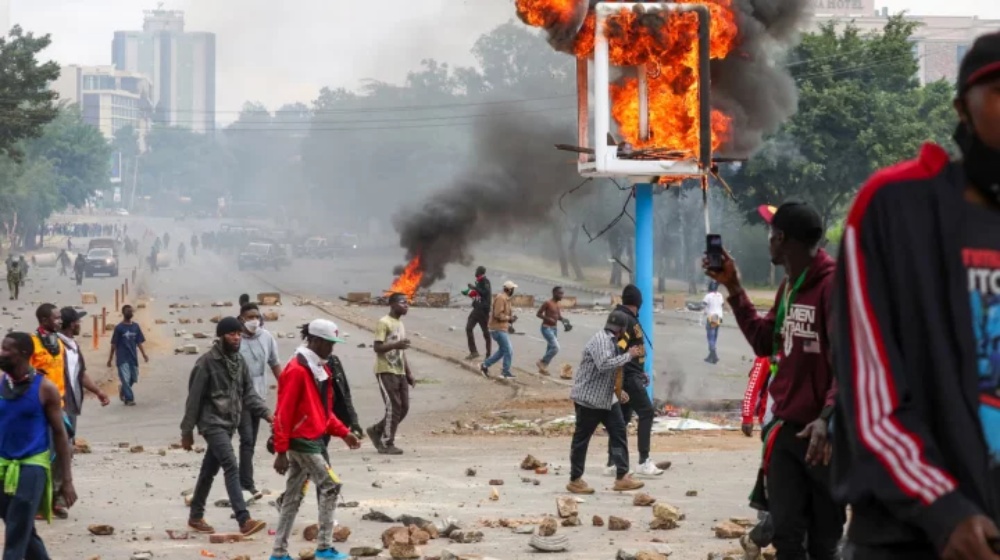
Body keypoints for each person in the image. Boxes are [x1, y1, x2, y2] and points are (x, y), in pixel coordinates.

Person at [832, 33, 1000, 560]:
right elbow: (872, 398)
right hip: (912, 537)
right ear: (962, 110)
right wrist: (944, 510)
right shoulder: (895, 209)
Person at [705, 201, 842, 559]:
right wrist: (734, 287)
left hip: (823, 439)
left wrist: (827, 418)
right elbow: (765, 341)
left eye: (771, 233)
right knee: (786, 536)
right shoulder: (789, 288)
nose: (769, 240)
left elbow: (849, 363)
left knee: (825, 540)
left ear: (780, 239)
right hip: (786, 434)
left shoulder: (833, 287)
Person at [269, 319, 360, 560]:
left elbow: (322, 411)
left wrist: (343, 432)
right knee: (331, 485)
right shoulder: (297, 370)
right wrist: (280, 451)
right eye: (329, 343)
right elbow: (283, 412)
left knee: (292, 496)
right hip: (303, 441)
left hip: (311, 438)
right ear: (316, 341)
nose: (332, 349)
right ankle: (324, 547)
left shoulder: (317, 368)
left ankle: (278, 553)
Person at [181, 317, 272, 537]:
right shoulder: (206, 363)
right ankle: (244, 519)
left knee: (209, 470)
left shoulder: (239, 362)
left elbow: (249, 394)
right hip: (212, 423)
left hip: (230, 423)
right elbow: (193, 399)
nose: (236, 338)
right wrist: (187, 431)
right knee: (231, 465)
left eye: (239, 334)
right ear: (221, 336)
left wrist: (269, 414)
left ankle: (195, 516)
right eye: (232, 334)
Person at [0, 332, 77, 559]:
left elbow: (61, 437)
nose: (1, 353)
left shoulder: (45, 389)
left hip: (33, 466)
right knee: (22, 527)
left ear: (24, 353)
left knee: (16, 528)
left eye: (6, 349)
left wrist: (67, 481)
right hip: (3, 465)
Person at [567, 311, 646, 495]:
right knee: (582, 439)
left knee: (619, 433)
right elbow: (604, 364)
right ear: (622, 329)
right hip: (589, 400)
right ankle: (575, 479)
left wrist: (619, 391)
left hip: (606, 399)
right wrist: (629, 355)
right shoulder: (602, 341)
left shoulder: (611, 341)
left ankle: (622, 476)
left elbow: (612, 371)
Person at [605, 284, 664, 477]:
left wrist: (639, 370)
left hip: (627, 374)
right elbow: (619, 348)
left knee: (620, 420)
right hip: (628, 377)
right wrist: (631, 372)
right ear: (639, 302)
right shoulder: (627, 320)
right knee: (647, 412)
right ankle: (644, 460)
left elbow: (622, 346)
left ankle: (614, 461)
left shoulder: (620, 317)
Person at [56, 307, 109, 519]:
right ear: (71, 324)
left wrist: (97, 391)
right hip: (57, 405)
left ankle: (56, 497)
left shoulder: (73, 346)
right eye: (78, 321)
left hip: (71, 405)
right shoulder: (55, 346)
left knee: (66, 450)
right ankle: (53, 499)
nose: (80, 324)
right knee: (61, 450)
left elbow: (81, 374)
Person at [237, 303, 282, 500]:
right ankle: (246, 485)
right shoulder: (235, 338)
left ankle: (243, 480)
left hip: (259, 397)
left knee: (251, 440)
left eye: (256, 316)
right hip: (239, 397)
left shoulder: (266, 337)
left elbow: (274, 363)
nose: (253, 320)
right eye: (249, 317)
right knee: (246, 439)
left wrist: (287, 387)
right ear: (241, 319)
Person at [366, 293, 415, 455]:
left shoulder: (400, 324)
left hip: (399, 370)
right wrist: (396, 344)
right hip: (386, 370)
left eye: (407, 303)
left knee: (404, 408)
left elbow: (402, 351)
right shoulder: (383, 323)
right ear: (392, 304)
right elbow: (377, 347)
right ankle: (387, 442)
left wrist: (408, 373)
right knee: (393, 407)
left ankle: (376, 430)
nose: (406, 305)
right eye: (402, 302)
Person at [107, 305, 149, 406]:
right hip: (122, 357)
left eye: (131, 311)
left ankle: (123, 389)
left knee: (133, 377)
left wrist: (144, 354)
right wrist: (110, 359)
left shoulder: (136, 326)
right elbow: (114, 344)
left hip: (133, 357)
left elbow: (139, 342)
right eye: (127, 311)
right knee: (125, 378)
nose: (130, 313)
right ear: (123, 313)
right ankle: (130, 398)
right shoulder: (119, 328)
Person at [480, 280, 518, 379]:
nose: (514, 290)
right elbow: (497, 315)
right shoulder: (501, 298)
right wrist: (509, 318)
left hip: (501, 328)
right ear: (509, 289)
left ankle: (485, 365)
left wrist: (511, 319)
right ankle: (505, 372)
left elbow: (504, 314)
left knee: (502, 351)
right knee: (509, 350)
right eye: (513, 289)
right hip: (497, 329)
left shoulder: (506, 299)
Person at [462, 266, 492, 360]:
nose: (475, 272)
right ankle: (474, 352)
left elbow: (485, 293)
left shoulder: (485, 281)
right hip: (477, 309)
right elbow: (478, 295)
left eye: (476, 270)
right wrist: (469, 292)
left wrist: (474, 287)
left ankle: (488, 354)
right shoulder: (479, 281)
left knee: (486, 333)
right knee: (468, 328)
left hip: (483, 310)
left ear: (480, 272)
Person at [536, 286, 565, 375]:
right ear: (554, 293)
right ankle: (542, 362)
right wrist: (548, 319)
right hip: (546, 327)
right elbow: (538, 314)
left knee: (549, 348)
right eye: (560, 293)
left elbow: (558, 316)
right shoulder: (547, 303)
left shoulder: (557, 304)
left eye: (562, 293)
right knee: (555, 347)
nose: (562, 295)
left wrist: (565, 321)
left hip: (554, 329)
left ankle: (543, 368)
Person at [703, 281, 724, 364]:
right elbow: (722, 305)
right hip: (719, 316)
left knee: (710, 336)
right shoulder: (720, 295)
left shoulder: (708, 296)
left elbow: (704, 305)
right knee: (714, 336)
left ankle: (714, 355)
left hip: (713, 316)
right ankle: (711, 355)